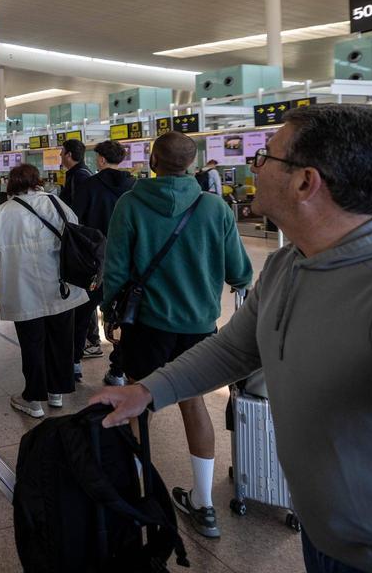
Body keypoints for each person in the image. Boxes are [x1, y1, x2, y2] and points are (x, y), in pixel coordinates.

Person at [92, 105, 372, 572]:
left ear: (305, 182)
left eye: (265, 157)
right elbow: (236, 347)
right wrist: (148, 390)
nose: (255, 167)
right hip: (325, 536)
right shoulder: (291, 263)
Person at [98, 130, 252, 539]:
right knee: (192, 402)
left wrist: (109, 313)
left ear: (152, 161)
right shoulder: (214, 207)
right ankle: (203, 503)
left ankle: (135, 491)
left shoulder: (130, 204)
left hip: (145, 325)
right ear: (193, 162)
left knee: (135, 404)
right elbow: (240, 272)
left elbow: (114, 268)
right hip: (198, 326)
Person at [0, 163, 86, 419]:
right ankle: (57, 393)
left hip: (23, 291)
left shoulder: (3, 212)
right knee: (61, 340)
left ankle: (33, 399)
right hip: (60, 287)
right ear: (36, 181)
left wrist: (9, 267)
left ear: (12, 183)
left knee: (32, 344)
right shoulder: (55, 203)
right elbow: (75, 231)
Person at [60, 140, 135, 383]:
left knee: (82, 311)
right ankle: (118, 370)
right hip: (125, 261)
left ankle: (73, 364)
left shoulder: (89, 186)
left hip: (94, 261)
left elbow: (75, 220)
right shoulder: (134, 186)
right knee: (124, 315)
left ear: (101, 159)